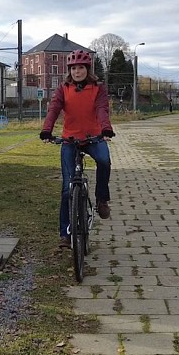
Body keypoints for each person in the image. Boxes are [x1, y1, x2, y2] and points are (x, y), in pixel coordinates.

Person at [39, 49, 115, 250]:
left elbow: (102, 109)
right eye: (73, 68)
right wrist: (47, 130)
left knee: (104, 161)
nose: (77, 71)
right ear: (69, 70)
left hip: (93, 137)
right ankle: (65, 234)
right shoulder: (63, 89)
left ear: (87, 69)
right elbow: (54, 108)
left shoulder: (98, 88)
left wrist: (106, 128)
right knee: (67, 188)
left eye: (81, 67)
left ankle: (101, 199)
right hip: (70, 140)